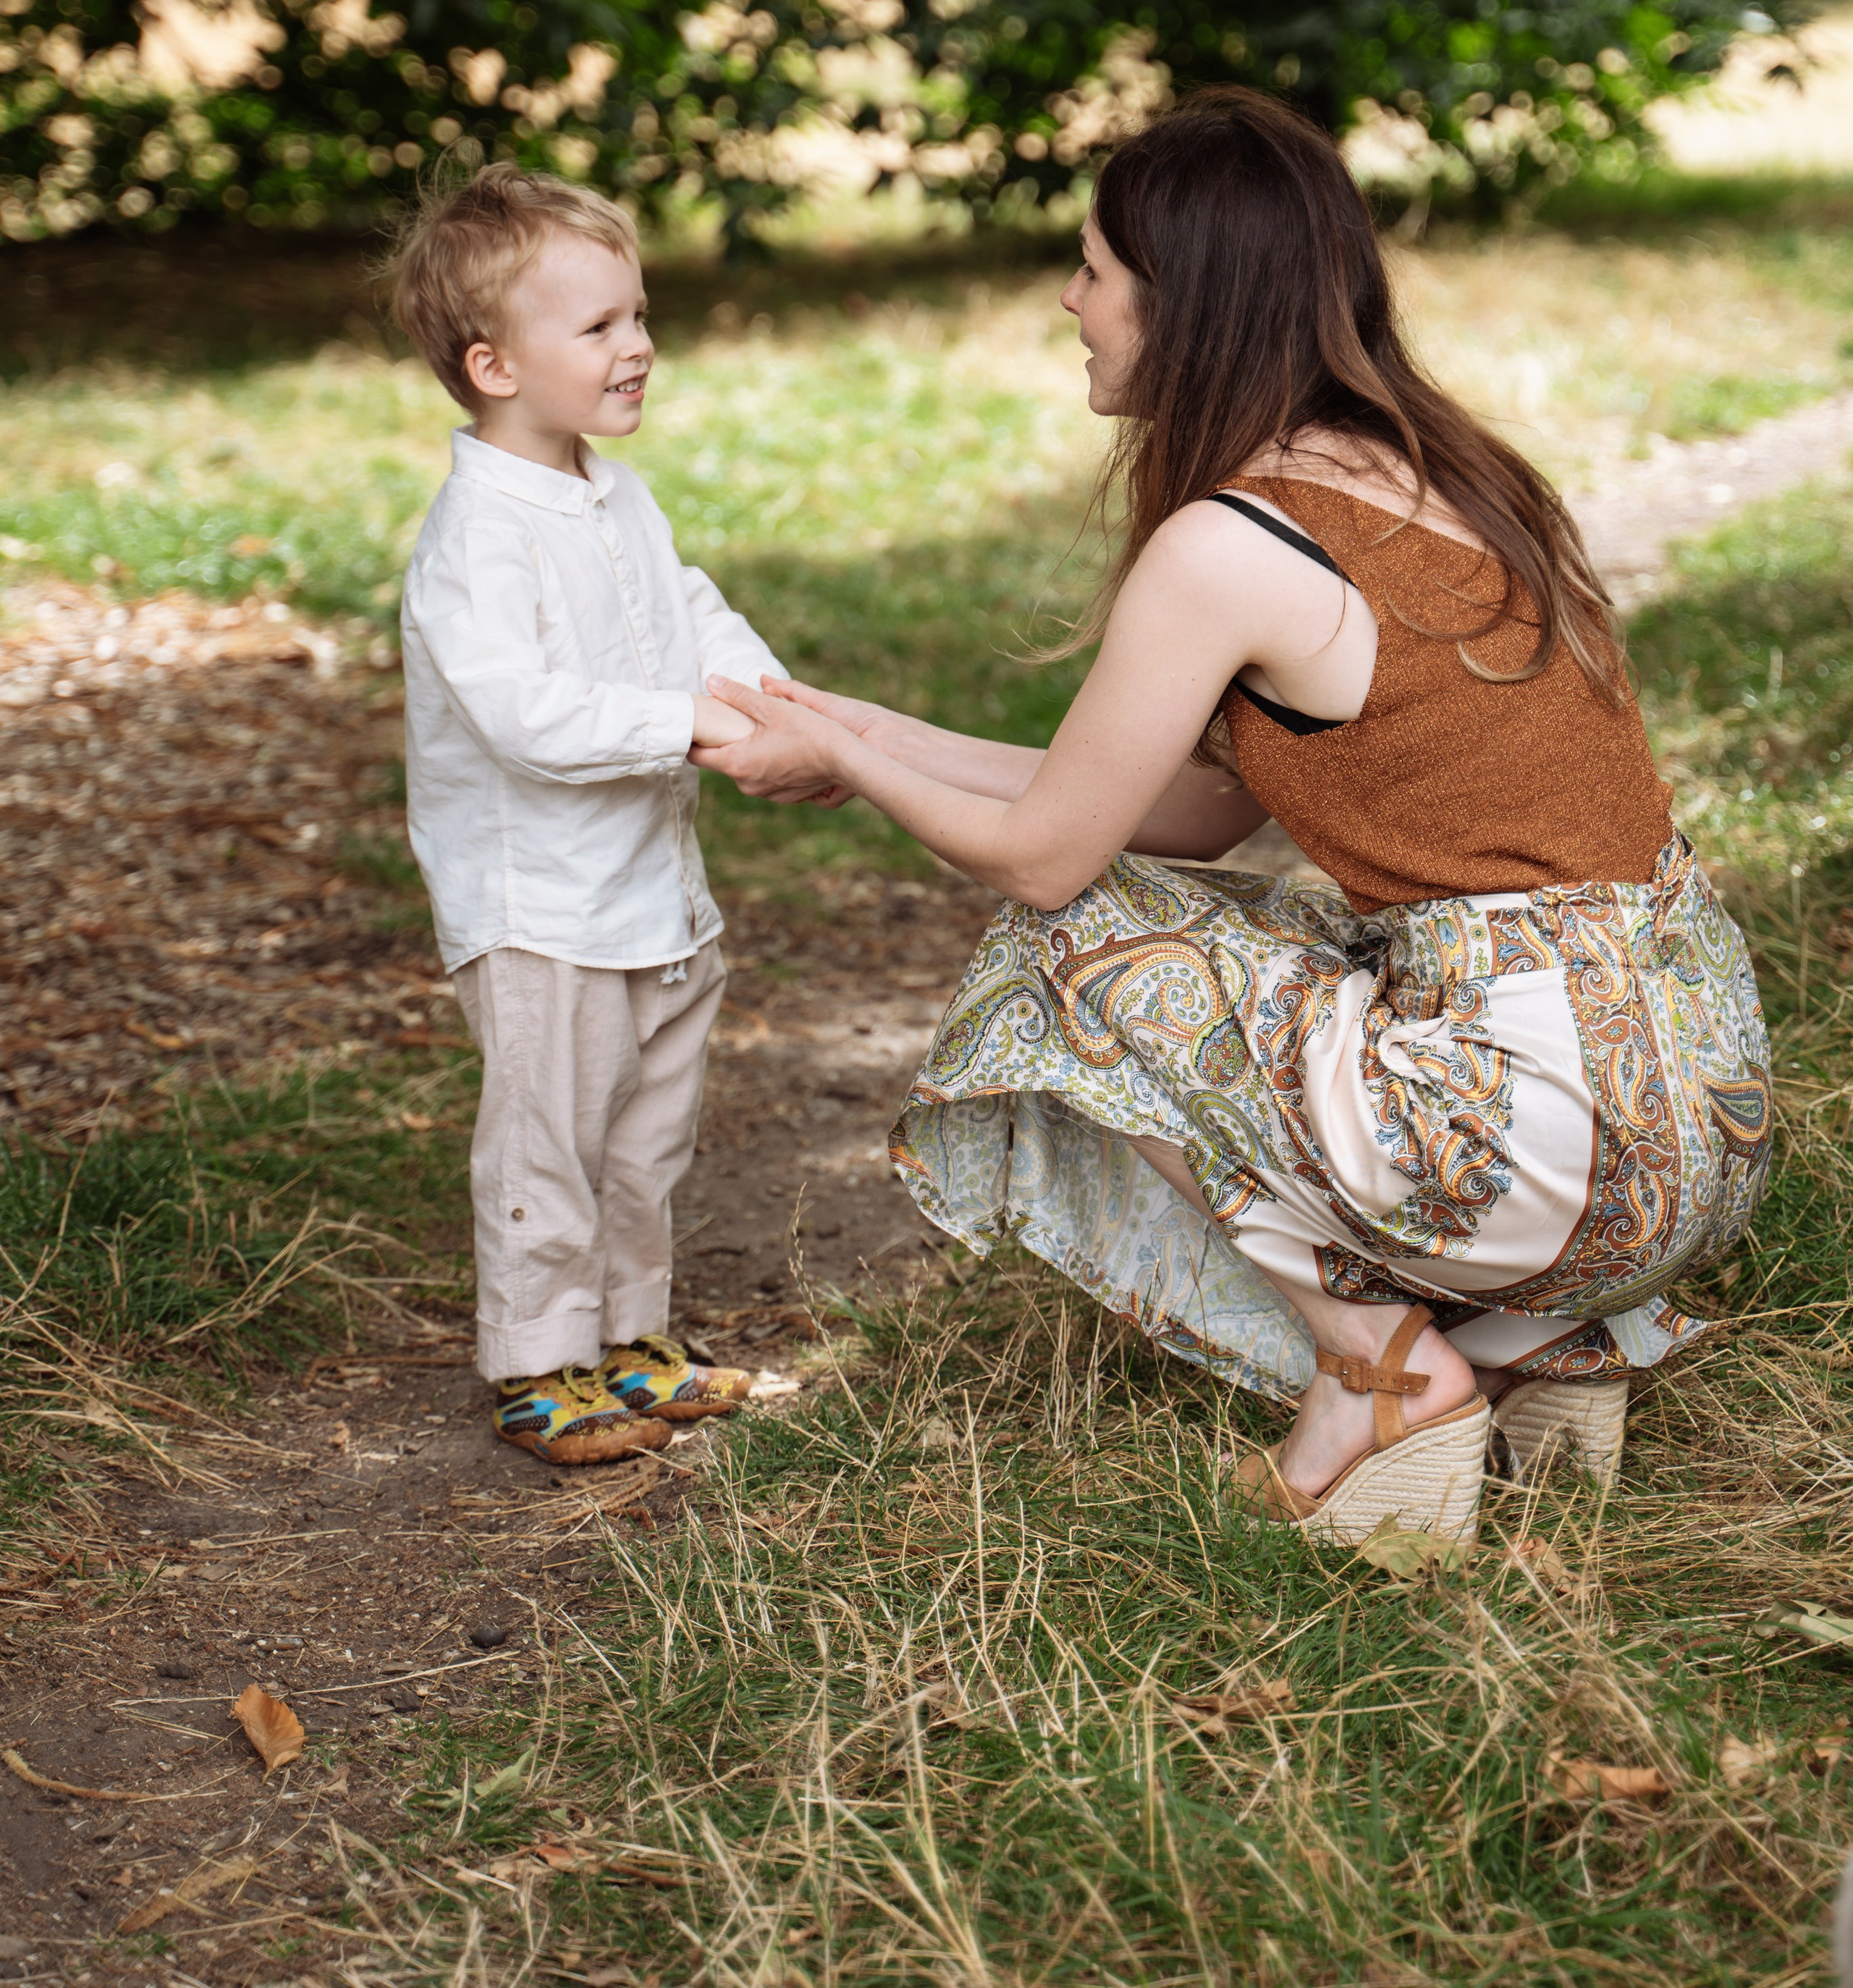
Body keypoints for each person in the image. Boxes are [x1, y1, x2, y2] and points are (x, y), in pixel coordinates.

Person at [693, 91, 1772, 1544]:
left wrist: (860, 772)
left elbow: (1054, 855)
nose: (1070, 303)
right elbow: (1182, 811)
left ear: (1179, 298)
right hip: (1690, 1113)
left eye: (1090, 269)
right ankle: (1547, 1350)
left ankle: (1380, 1374)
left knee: (1063, 950)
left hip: (1554, 1144)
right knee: (1272, 929)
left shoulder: (1228, 543)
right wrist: (852, 732)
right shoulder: (1438, 471)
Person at [387, 164, 782, 1465]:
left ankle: (628, 1336)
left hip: (648, 891)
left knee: (644, 1138)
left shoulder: (614, 493)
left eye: (640, 314)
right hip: (543, 909)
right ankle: (535, 1363)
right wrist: (689, 726)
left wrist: (757, 693)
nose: (640, 346)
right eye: (601, 326)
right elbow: (526, 715)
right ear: (494, 366)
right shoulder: (475, 540)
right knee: (546, 1145)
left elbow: (688, 608)